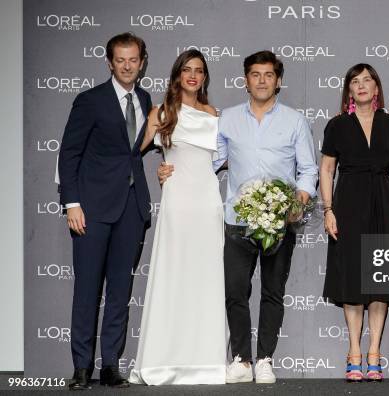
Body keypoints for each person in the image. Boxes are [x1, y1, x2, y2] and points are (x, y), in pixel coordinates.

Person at [158, 50, 318, 384]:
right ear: (246, 80)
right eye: (256, 74)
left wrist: (299, 199)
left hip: (280, 222)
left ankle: (265, 360)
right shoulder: (226, 118)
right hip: (237, 220)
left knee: (273, 292)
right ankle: (243, 360)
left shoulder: (295, 120)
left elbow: (308, 169)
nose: (262, 80)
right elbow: (208, 161)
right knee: (235, 291)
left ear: (279, 81)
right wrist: (171, 166)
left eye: (269, 75)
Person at [58, 32, 152, 390]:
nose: (127, 66)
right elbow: (69, 155)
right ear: (110, 62)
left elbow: (136, 151)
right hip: (92, 209)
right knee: (87, 290)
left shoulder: (144, 98)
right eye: (121, 60)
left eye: (133, 60)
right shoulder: (90, 100)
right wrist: (72, 203)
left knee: (119, 292)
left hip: (131, 208)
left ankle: (110, 364)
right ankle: (82, 367)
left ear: (142, 62)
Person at [128, 50, 225, 385]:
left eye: (199, 71)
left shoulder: (213, 113)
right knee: (175, 274)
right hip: (177, 201)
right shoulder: (162, 112)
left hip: (208, 201)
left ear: (204, 77)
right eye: (187, 70)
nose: (193, 76)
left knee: (206, 277)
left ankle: (206, 364)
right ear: (177, 75)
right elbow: (130, 154)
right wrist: (159, 167)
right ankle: (163, 361)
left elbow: (219, 160)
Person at [320, 64, 389, 382]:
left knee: (379, 282)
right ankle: (354, 350)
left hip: (383, 201)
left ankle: (374, 353)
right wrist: (328, 209)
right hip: (349, 202)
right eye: (355, 81)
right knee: (353, 282)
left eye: (367, 79)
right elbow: (327, 169)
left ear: (376, 87)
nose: (362, 85)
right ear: (349, 91)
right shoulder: (338, 125)